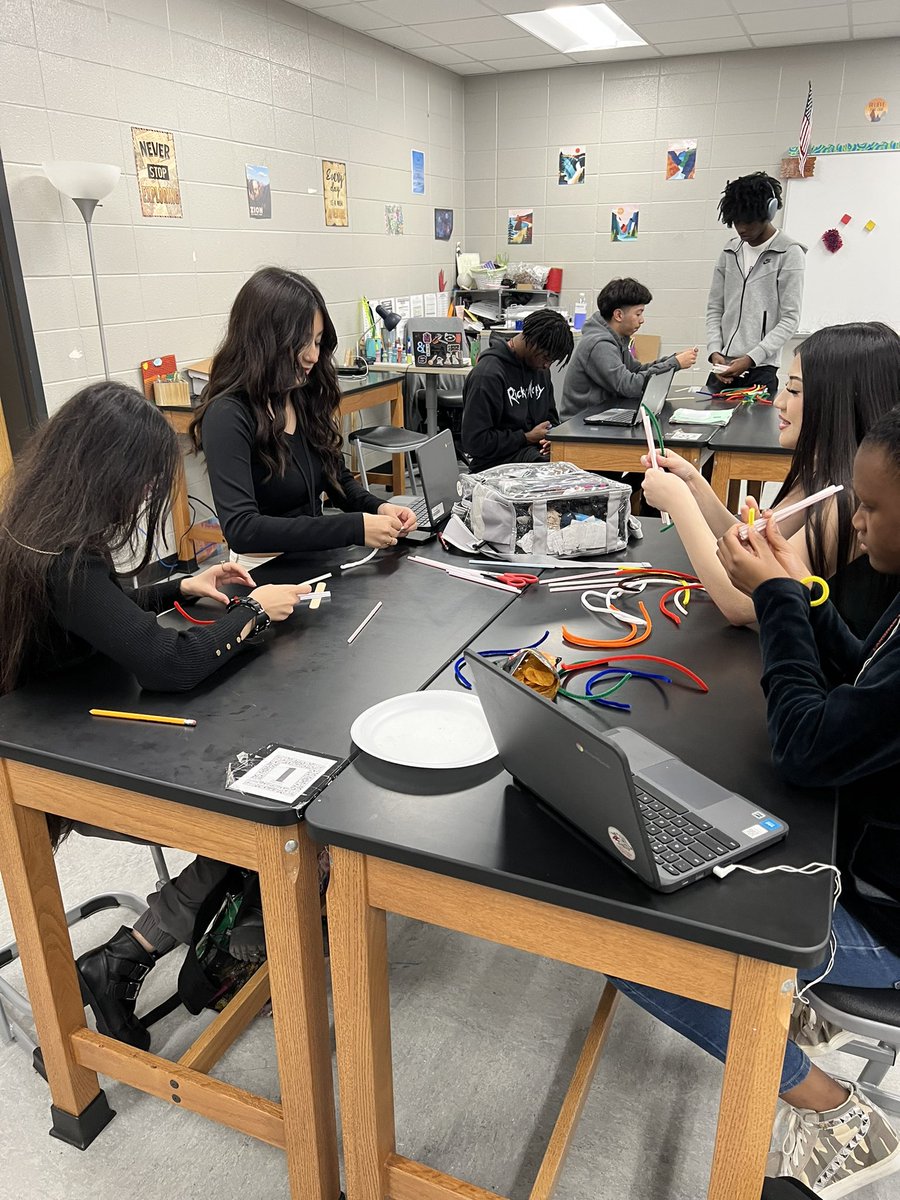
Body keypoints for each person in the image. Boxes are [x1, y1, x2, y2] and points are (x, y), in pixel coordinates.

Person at [611, 409, 900, 1196]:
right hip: (868, 871)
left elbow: (805, 747)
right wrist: (797, 592)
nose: (860, 522)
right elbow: (860, 679)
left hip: (884, 925)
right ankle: (785, 1013)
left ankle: (837, 1112)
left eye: (872, 509)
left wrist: (775, 598)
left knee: (627, 928)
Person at [0, 382, 311, 1049]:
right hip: (48, 771)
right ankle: (152, 948)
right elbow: (167, 667)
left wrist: (178, 584)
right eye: (141, 483)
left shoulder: (38, 534)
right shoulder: (63, 561)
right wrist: (255, 614)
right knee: (254, 800)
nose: (143, 498)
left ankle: (139, 948)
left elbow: (97, 608)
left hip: (60, 731)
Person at [641, 322, 900, 633]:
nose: (778, 402)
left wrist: (679, 503)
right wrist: (694, 485)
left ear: (836, 401)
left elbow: (742, 603)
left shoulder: (844, 502)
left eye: (793, 390)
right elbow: (753, 553)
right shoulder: (818, 476)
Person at [191, 267, 417, 570]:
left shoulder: (301, 395)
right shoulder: (228, 415)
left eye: (318, 342)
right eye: (303, 342)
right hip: (262, 573)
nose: (313, 356)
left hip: (316, 560)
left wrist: (380, 508)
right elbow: (243, 529)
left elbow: (338, 481)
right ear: (267, 340)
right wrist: (354, 528)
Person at [706, 171, 806, 397]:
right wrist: (714, 351)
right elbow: (715, 308)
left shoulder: (789, 253)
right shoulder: (730, 250)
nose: (741, 229)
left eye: (748, 222)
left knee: (753, 433)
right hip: (722, 367)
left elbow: (790, 318)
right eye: (736, 222)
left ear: (769, 212)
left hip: (761, 369)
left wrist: (752, 358)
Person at [559, 278, 698, 420]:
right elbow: (628, 385)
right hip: (580, 425)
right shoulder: (599, 344)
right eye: (638, 314)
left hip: (601, 417)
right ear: (618, 315)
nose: (642, 320)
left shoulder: (617, 338)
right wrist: (674, 363)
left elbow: (635, 370)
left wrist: (671, 359)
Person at [461, 309, 573, 473]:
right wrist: (526, 438)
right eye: (546, 358)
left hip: (531, 453)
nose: (546, 366)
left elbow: (550, 419)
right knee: (559, 471)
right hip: (495, 465)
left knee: (577, 461)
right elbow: (475, 442)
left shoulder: (540, 371)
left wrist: (551, 439)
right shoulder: (488, 375)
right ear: (533, 342)